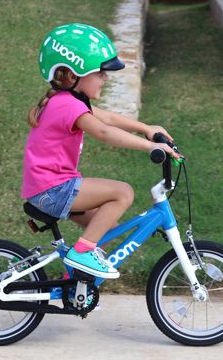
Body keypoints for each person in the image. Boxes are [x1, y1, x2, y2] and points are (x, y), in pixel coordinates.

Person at [23, 23, 178, 279]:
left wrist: (146, 128)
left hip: (49, 188)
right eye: (100, 73)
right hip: (53, 189)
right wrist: (150, 146)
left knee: (106, 232)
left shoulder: (67, 102)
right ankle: (81, 252)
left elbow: (107, 118)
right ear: (73, 75)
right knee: (123, 192)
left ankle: (72, 284)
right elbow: (104, 131)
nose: (106, 78)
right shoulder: (67, 106)